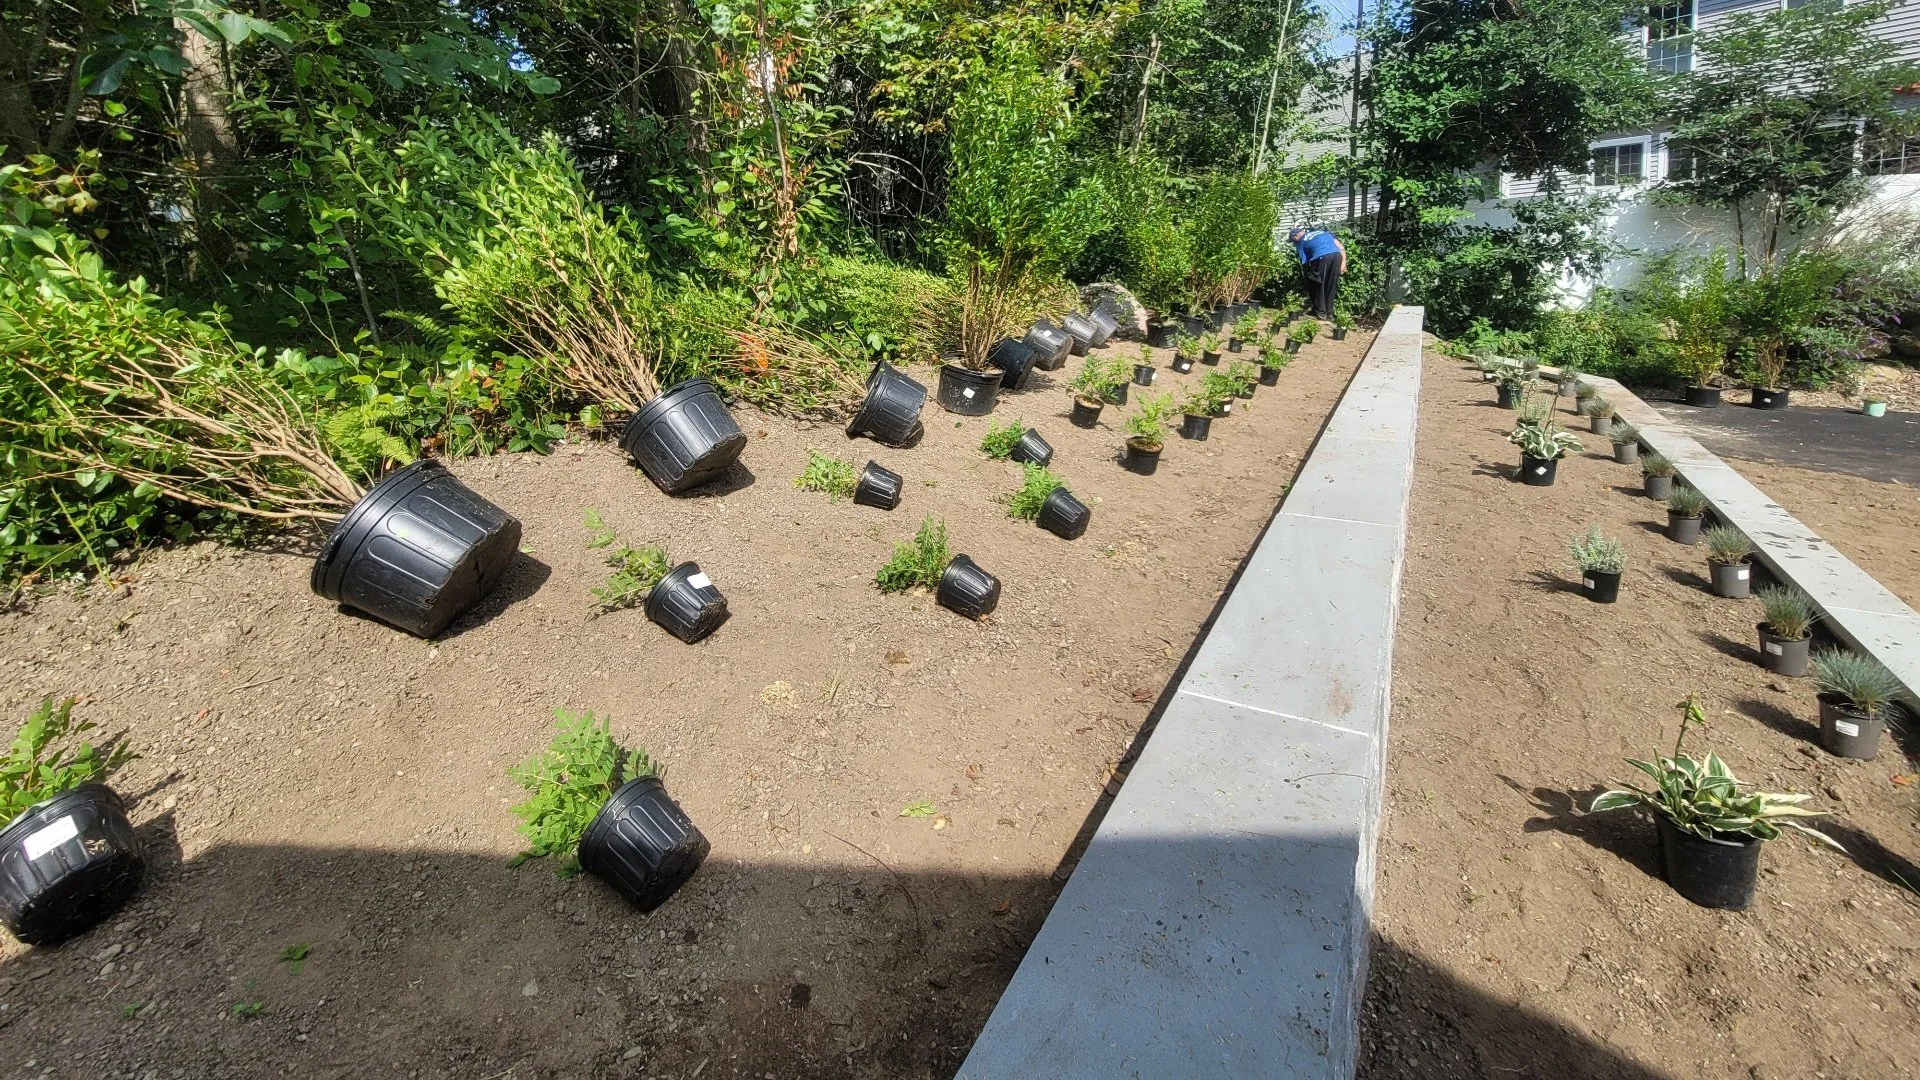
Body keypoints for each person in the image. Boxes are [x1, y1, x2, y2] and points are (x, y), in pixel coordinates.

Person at [1288, 225, 1346, 321]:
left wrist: (1307, 277)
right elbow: (1340, 246)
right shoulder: (1323, 232)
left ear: (1296, 236)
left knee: (1316, 284)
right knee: (1331, 285)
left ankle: (1320, 312)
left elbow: (1305, 262)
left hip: (1321, 257)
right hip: (1337, 256)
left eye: (1292, 240)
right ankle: (1329, 314)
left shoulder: (1301, 241)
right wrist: (1343, 263)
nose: (1293, 243)